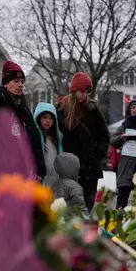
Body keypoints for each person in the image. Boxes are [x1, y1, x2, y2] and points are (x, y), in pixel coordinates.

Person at [0, 60, 46, 179]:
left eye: (22, 81)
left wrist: (39, 170)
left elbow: (35, 140)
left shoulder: (24, 110)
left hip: (24, 175)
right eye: (16, 81)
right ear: (6, 84)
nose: (21, 84)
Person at [56, 72, 110, 210]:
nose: (85, 94)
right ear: (74, 90)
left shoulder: (93, 109)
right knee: (68, 207)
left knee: (86, 206)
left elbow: (104, 134)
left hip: (89, 167)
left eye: (87, 91)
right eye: (82, 91)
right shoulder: (61, 108)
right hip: (68, 167)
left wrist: (97, 154)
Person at [33, 102, 63, 186]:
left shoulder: (57, 138)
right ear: (38, 117)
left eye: (51, 118)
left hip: (56, 179)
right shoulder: (35, 137)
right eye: (45, 117)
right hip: (41, 179)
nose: (48, 121)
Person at [52, 153, 89, 217]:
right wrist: (86, 219)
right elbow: (80, 207)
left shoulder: (55, 184)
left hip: (56, 220)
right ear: (74, 169)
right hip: (70, 222)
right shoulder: (75, 187)